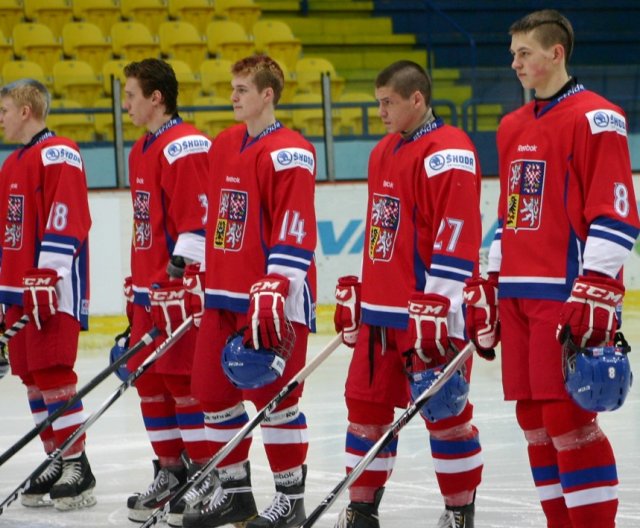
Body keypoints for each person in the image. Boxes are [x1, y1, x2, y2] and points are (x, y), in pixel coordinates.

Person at [464, 9, 640, 528]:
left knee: (568, 417)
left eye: (524, 53)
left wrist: (596, 285)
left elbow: (615, 211)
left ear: (555, 52)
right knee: (533, 420)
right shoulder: (512, 125)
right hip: (517, 293)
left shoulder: (596, 116)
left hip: (565, 292)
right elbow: (510, 211)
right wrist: (492, 282)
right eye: (513, 53)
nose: (514, 63)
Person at [332, 60, 484, 528]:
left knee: (444, 412)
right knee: (365, 407)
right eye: (378, 103)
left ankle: (460, 509)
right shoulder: (383, 152)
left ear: (416, 99)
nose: (381, 112)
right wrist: (363, 291)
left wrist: (440, 305)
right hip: (381, 312)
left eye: (388, 103)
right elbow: (383, 233)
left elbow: (455, 236)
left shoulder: (449, 151)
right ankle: (362, 508)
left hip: (428, 314)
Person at [182, 54, 317, 528]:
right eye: (232, 88)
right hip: (222, 295)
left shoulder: (290, 150)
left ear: (267, 95)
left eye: (242, 89)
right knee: (211, 392)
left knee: (275, 400)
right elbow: (214, 215)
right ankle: (237, 493)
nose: (233, 97)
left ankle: (290, 501)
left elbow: (295, 226)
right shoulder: (223, 144)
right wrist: (196, 266)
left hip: (269, 300)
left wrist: (277, 285)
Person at [122, 58, 212, 527]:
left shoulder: (185, 145)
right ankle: (172, 470)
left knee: (182, 385)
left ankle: (204, 474)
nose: (125, 105)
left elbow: (198, 221)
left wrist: (176, 279)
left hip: (176, 293)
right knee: (150, 383)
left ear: (156, 97)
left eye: (131, 95)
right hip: (147, 291)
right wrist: (138, 287)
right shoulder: (142, 148)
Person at [0, 79, 95, 510]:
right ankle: (55, 457)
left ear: (25, 110)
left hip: (50, 289)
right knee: (32, 377)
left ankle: (77, 463)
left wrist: (48, 274)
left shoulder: (58, 152)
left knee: (54, 373)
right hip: (18, 289)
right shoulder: (11, 163)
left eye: (4, 108)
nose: (0, 117)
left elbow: (68, 218)